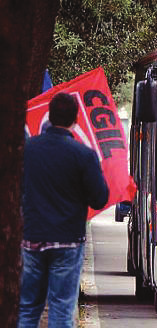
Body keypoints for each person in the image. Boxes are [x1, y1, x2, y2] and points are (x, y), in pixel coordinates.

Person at [19, 92, 109, 328]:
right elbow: (99, 199)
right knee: (61, 309)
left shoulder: (27, 150)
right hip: (68, 242)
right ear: (75, 120)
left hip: (31, 239)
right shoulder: (83, 155)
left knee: (27, 308)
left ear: (49, 116)